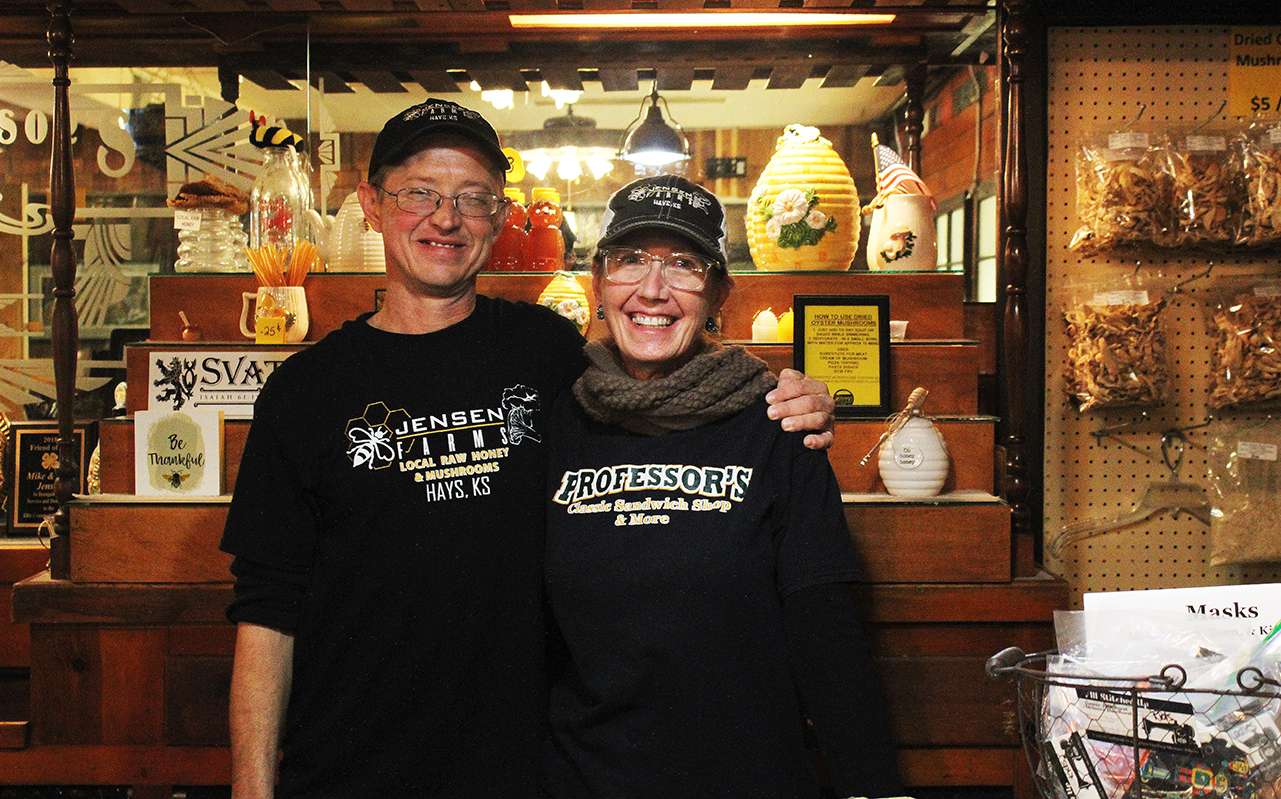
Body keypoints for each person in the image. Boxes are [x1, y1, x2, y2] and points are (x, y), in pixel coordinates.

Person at [220, 99, 836, 798]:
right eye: (419, 192)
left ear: (500, 215)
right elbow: (267, 609)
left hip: (520, 768)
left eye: (472, 198)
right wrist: (251, 787)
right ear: (371, 204)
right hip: (344, 764)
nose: (444, 218)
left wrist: (780, 393)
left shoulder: (546, 352)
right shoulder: (305, 392)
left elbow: (665, 372)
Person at [542, 175, 901, 799]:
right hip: (583, 780)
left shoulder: (779, 424)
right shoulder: (555, 422)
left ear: (718, 295)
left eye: (683, 264)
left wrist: (875, 789)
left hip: (749, 778)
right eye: (630, 260)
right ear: (599, 283)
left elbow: (827, 635)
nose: (652, 288)